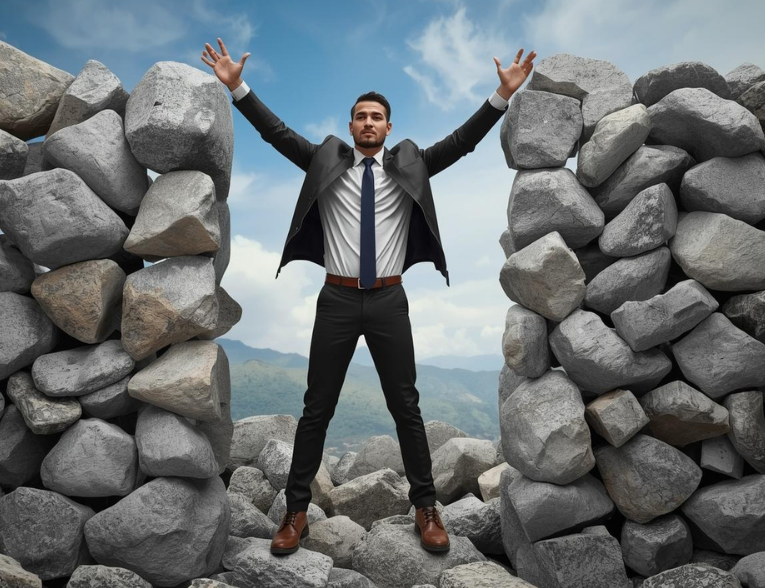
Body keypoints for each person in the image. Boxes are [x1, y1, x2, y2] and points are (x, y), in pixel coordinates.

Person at [202, 38, 536, 555]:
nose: (368, 123)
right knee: (317, 408)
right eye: (360, 116)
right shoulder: (325, 162)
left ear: (389, 127)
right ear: (351, 125)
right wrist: (237, 87)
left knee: (406, 406)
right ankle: (295, 512)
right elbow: (276, 134)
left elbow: (461, 142)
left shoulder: (411, 166)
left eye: (377, 117)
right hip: (335, 300)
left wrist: (501, 96)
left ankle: (426, 508)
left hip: (388, 300)